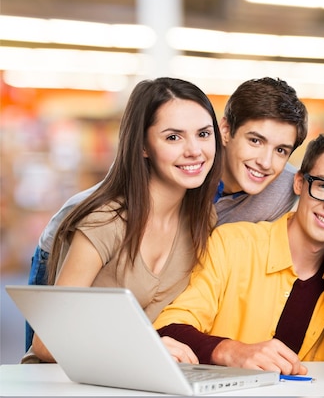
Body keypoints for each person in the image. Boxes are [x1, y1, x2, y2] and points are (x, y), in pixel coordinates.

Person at [25, 77, 308, 350]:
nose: (265, 161)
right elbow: (49, 345)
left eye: (281, 150)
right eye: (255, 141)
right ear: (226, 130)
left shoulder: (280, 188)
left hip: (161, 277)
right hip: (77, 247)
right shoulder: (110, 214)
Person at [26, 77, 224, 364]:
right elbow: (45, 344)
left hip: (138, 378)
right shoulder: (106, 221)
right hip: (69, 381)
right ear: (143, 146)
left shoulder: (203, 220)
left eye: (204, 134)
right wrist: (143, 348)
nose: (194, 150)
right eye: (173, 137)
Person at [153, 131, 324, 375]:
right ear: (299, 183)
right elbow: (168, 328)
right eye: (323, 186)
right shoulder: (232, 244)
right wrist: (233, 351)